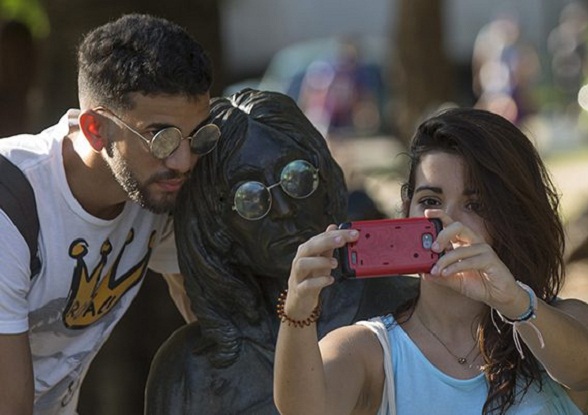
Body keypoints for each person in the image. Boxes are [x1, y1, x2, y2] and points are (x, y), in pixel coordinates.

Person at [274, 107, 588, 414]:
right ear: (406, 210)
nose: (447, 219)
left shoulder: (564, 322)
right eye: (430, 200)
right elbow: (303, 409)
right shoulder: (370, 349)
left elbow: (584, 371)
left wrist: (512, 301)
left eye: (475, 205)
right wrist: (297, 311)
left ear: (512, 219)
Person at [145, 88, 418, 414]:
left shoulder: (414, 312)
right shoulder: (189, 372)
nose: (284, 208)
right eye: (250, 198)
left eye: (297, 177)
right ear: (216, 226)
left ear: (324, 179)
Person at [0, 13, 218, 414]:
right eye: (161, 137)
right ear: (96, 129)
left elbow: (207, 315)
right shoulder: (10, 206)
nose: (184, 161)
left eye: (197, 135)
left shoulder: (154, 187)